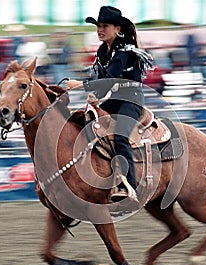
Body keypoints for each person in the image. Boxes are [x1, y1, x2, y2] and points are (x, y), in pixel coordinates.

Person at [65, 6, 153, 203]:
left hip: (131, 100)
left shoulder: (123, 51)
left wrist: (80, 85)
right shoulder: (103, 51)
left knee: (120, 137)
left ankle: (130, 186)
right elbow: (103, 80)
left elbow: (111, 79)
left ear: (118, 29)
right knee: (84, 120)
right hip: (115, 100)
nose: (100, 30)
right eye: (98, 26)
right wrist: (94, 96)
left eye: (105, 26)